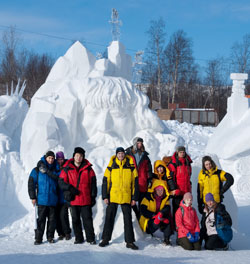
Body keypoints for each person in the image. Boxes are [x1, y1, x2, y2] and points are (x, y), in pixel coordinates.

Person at [99, 147, 139, 250]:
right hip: (113, 196)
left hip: (126, 196)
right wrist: (105, 196)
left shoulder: (130, 166)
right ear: (116, 155)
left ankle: (129, 242)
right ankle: (105, 239)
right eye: (119, 153)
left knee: (128, 220)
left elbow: (135, 183)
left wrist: (134, 197)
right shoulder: (111, 166)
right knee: (109, 218)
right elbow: (105, 181)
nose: (120, 155)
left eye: (122, 153)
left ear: (124, 154)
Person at [59, 147, 97, 245]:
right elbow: (61, 182)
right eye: (77, 155)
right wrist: (70, 188)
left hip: (86, 199)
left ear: (83, 157)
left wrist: (93, 196)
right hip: (74, 199)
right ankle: (79, 238)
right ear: (74, 156)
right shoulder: (67, 168)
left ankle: (91, 238)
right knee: (75, 220)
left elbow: (93, 184)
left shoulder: (89, 169)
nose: (79, 158)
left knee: (87, 220)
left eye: (81, 156)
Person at [28, 151, 60, 245]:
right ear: (45, 158)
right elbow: (31, 183)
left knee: (52, 221)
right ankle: (38, 238)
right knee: (41, 220)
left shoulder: (56, 170)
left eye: (52, 158)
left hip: (53, 200)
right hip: (41, 200)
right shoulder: (37, 170)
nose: (51, 160)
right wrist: (33, 197)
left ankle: (50, 237)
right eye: (49, 158)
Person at [125, 137, 152, 219]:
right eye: (138, 143)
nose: (140, 145)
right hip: (132, 181)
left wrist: (149, 179)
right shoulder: (128, 154)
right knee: (132, 202)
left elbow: (149, 169)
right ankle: (135, 219)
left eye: (141, 143)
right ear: (135, 143)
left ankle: (141, 220)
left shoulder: (144, 155)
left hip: (142, 182)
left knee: (141, 203)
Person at [139, 179, 172, 245]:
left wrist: (161, 213)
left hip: (159, 217)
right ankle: (151, 231)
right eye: (158, 190)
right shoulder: (148, 198)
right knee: (156, 221)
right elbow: (143, 210)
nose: (160, 192)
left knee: (167, 219)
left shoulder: (165, 198)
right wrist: (153, 215)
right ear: (154, 190)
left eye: (161, 190)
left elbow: (167, 208)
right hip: (148, 220)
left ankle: (167, 239)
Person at [168, 146, 193, 222]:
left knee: (187, 210)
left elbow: (189, 175)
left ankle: (186, 226)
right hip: (178, 191)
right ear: (177, 153)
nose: (182, 154)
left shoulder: (187, 162)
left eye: (183, 152)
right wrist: (174, 189)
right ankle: (177, 226)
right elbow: (170, 178)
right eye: (180, 152)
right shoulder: (174, 163)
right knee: (177, 210)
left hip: (186, 191)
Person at [55, 151, 71, 240]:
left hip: (64, 196)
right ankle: (60, 233)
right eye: (58, 159)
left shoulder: (67, 167)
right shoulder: (55, 168)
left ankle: (67, 232)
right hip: (56, 196)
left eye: (61, 159)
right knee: (57, 216)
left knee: (64, 215)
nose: (60, 161)